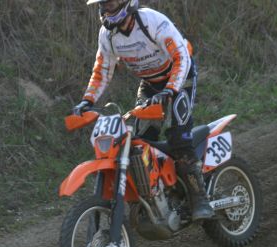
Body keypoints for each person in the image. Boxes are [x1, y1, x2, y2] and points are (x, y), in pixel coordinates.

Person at [73, 0, 214, 220]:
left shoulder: (152, 21)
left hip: (180, 77)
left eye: (111, 2)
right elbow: (102, 70)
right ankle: (158, 195)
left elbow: (181, 57)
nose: (106, 8)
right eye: (103, 4)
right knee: (140, 143)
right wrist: (87, 100)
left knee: (179, 137)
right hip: (150, 84)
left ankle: (200, 198)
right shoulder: (107, 35)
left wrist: (170, 89)